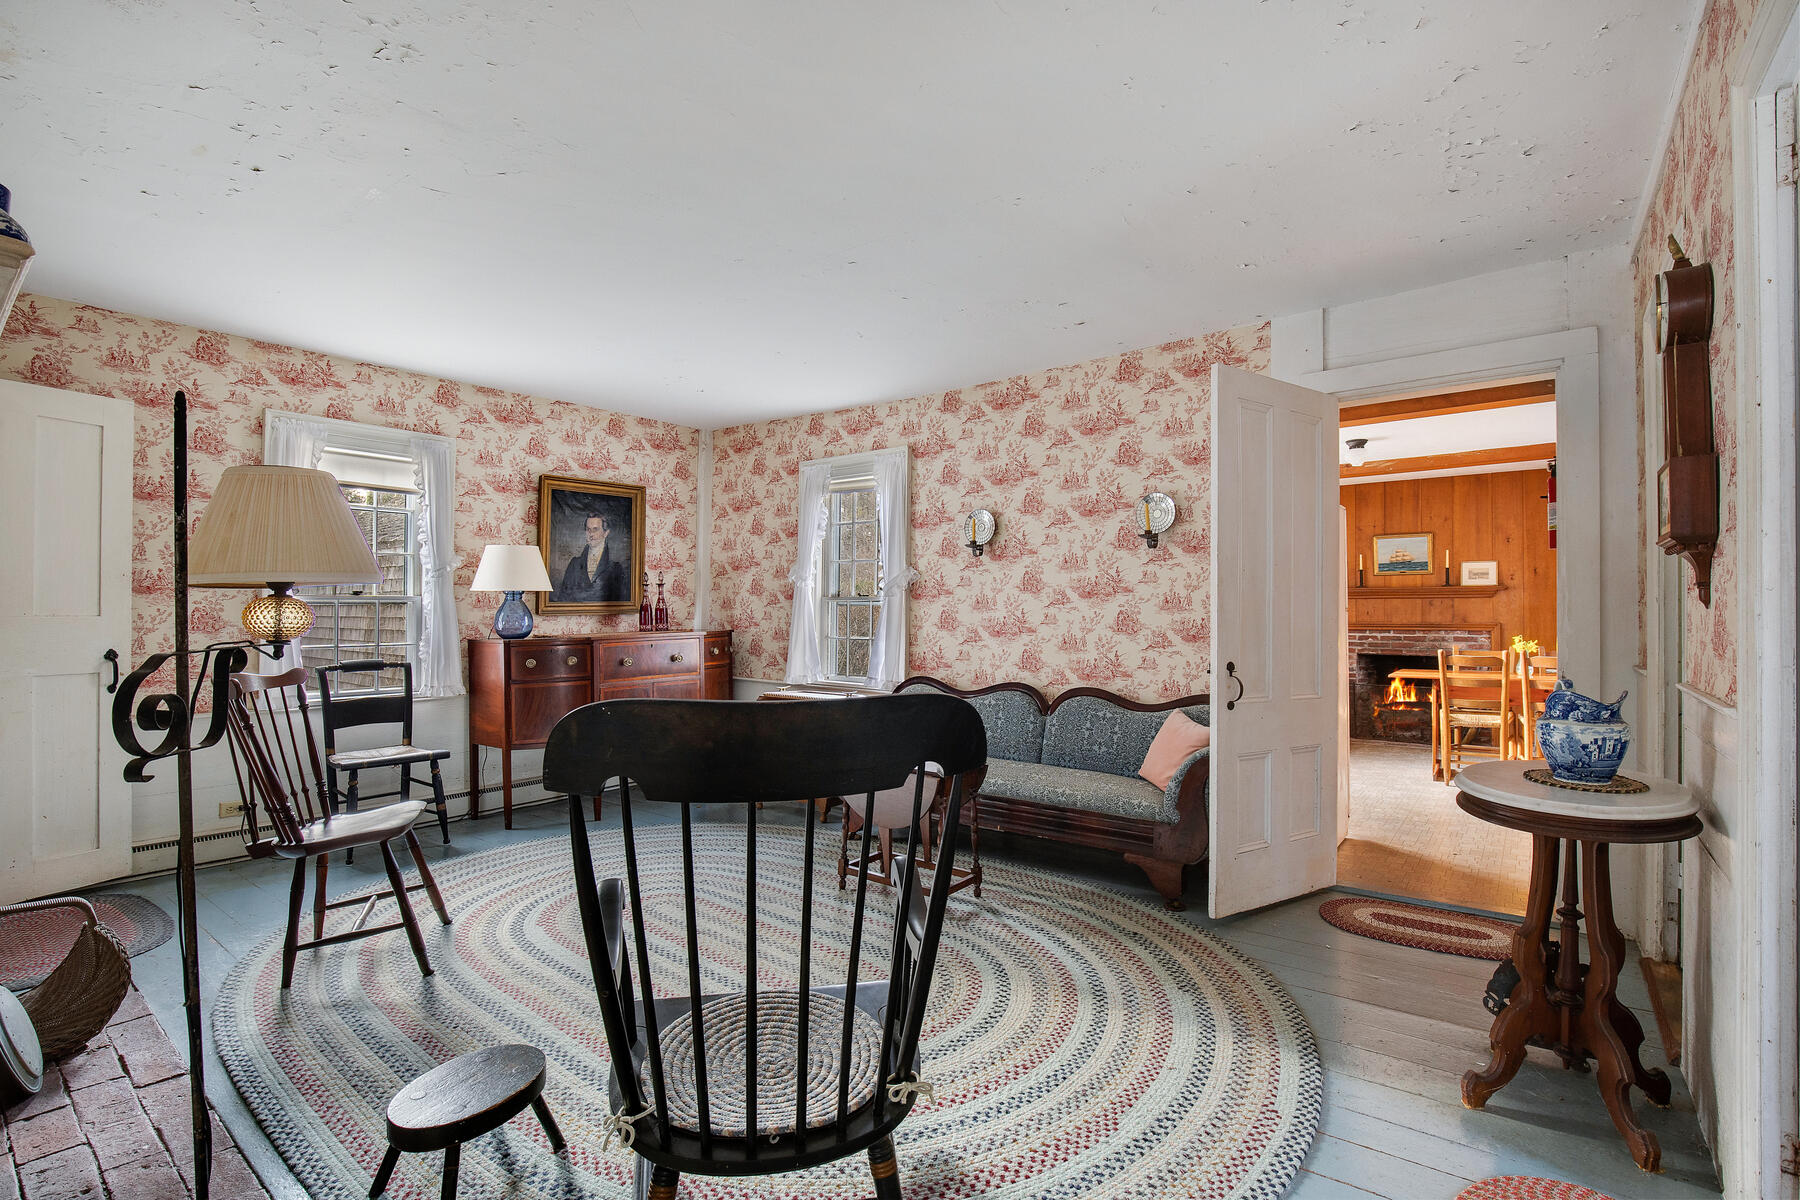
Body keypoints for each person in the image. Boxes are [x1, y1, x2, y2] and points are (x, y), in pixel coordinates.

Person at [558, 511, 628, 602]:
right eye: (588, 529)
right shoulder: (574, 564)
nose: (591, 534)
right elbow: (563, 598)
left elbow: (620, 601)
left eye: (595, 529)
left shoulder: (616, 567)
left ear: (606, 533)